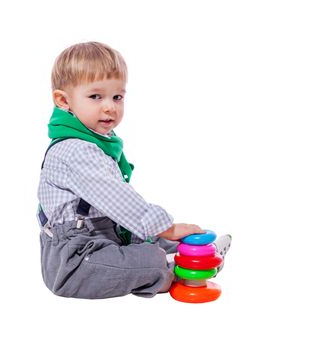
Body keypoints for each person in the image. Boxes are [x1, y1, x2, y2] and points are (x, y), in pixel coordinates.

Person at [37, 41, 231, 299]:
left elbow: (120, 210)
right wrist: (166, 226)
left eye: (117, 96)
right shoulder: (75, 151)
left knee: (145, 238)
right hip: (75, 261)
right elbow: (117, 198)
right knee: (150, 256)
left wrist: (160, 232)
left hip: (101, 234)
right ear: (64, 100)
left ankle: (201, 254)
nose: (110, 107)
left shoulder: (93, 143)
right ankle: (176, 273)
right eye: (96, 96)